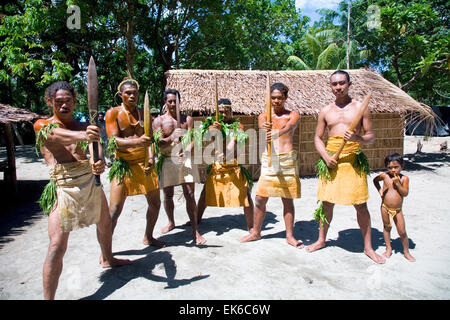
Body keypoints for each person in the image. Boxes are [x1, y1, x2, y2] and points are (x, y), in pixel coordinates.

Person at [34, 81, 130, 300]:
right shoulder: (42, 125)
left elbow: (95, 149)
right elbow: (55, 136)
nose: (64, 105)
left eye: (68, 101)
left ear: (75, 101)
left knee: (105, 224)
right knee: (57, 244)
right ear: (50, 102)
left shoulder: (82, 126)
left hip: (89, 181)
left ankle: (108, 258)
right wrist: (86, 135)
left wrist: (98, 162)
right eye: (59, 102)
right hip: (63, 186)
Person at [306, 70, 385, 264]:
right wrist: (325, 156)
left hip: (352, 161)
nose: (338, 87)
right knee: (326, 204)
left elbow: (370, 136)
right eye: (334, 84)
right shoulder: (325, 111)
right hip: (331, 161)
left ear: (350, 83)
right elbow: (317, 137)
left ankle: (368, 247)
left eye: (342, 83)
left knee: (360, 205)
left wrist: (358, 138)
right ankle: (321, 240)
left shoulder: (360, 108)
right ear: (330, 86)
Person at [240, 82, 303, 248]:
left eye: (279, 98)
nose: (276, 101)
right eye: (273, 98)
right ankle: (256, 232)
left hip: (287, 160)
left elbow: (289, 127)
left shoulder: (293, 115)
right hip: (269, 159)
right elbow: (262, 126)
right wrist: (265, 127)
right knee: (260, 198)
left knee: (287, 199)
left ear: (285, 98)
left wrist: (275, 133)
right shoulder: (264, 116)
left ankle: (289, 235)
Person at [105, 77, 164, 247]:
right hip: (123, 165)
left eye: (135, 93)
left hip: (144, 163)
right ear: (120, 95)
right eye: (128, 93)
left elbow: (150, 140)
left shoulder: (144, 113)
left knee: (155, 204)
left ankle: (148, 236)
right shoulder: (113, 113)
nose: (132, 96)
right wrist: (138, 142)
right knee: (114, 210)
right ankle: (106, 250)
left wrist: (151, 158)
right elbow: (113, 141)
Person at [153, 89, 206, 244]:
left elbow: (193, 139)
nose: (173, 104)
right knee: (168, 194)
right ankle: (171, 222)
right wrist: (171, 137)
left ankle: (195, 230)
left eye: (175, 101)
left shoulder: (187, 119)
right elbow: (158, 143)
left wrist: (188, 151)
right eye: (170, 101)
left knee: (190, 194)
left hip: (185, 159)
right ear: (165, 102)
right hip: (168, 159)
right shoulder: (159, 121)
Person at [194, 98, 254, 233]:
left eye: (227, 111)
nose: (224, 114)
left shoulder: (237, 126)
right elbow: (204, 134)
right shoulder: (213, 124)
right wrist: (213, 130)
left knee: (245, 195)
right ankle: (196, 220)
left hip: (233, 165)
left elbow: (234, 140)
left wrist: (227, 153)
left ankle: (251, 226)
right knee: (205, 194)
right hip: (218, 166)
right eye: (221, 111)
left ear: (231, 111)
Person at [373, 153, 415, 262]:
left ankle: (406, 252)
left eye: (396, 167)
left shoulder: (404, 179)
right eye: (389, 167)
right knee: (387, 228)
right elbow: (375, 180)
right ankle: (388, 248)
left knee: (402, 231)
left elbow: (405, 193)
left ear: (402, 166)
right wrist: (380, 191)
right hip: (385, 207)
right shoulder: (384, 176)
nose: (393, 170)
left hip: (397, 210)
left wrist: (398, 184)